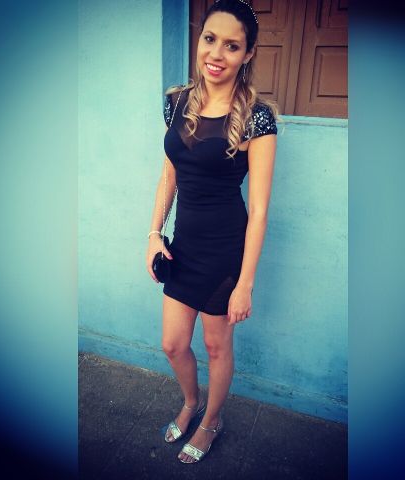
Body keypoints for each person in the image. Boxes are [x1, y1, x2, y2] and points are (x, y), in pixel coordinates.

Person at [146, 0, 278, 464]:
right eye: (209, 39)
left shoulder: (257, 116)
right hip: (183, 247)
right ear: (199, 40)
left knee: (216, 345)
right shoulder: (176, 101)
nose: (216, 53)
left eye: (232, 45)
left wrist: (245, 284)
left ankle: (211, 420)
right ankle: (191, 402)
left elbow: (259, 210)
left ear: (248, 53)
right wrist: (154, 233)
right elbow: (170, 173)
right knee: (172, 344)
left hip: (225, 252)